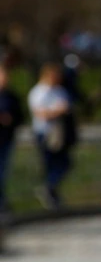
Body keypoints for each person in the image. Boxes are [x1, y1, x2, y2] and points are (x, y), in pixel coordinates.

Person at [27, 63, 73, 210]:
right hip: (45, 132)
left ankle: (51, 188)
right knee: (49, 163)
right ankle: (50, 191)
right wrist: (57, 111)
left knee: (64, 163)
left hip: (60, 132)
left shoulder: (59, 90)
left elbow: (67, 106)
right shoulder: (38, 92)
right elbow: (40, 113)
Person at [0, 66, 23, 213]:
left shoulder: (11, 96)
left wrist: (11, 120)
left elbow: (20, 116)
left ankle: (2, 202)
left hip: (6, 139)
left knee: (2, 172)